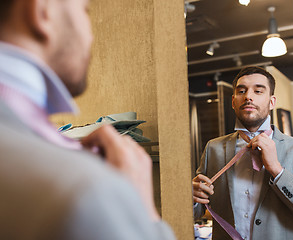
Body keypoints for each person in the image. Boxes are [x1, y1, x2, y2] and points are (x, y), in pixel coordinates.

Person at [0, 0, 175, 239]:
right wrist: (147, 216)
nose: (91, 36)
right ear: (43, 12)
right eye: (85, 11)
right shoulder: (84, 194)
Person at [192, 67, 293, 240]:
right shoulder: (213, 148)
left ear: (272, 102)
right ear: (233, 101)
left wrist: (277, 170)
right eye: (241, 91)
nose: (248, 96)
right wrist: (192, 198)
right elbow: (196, 212)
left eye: (258, 90)